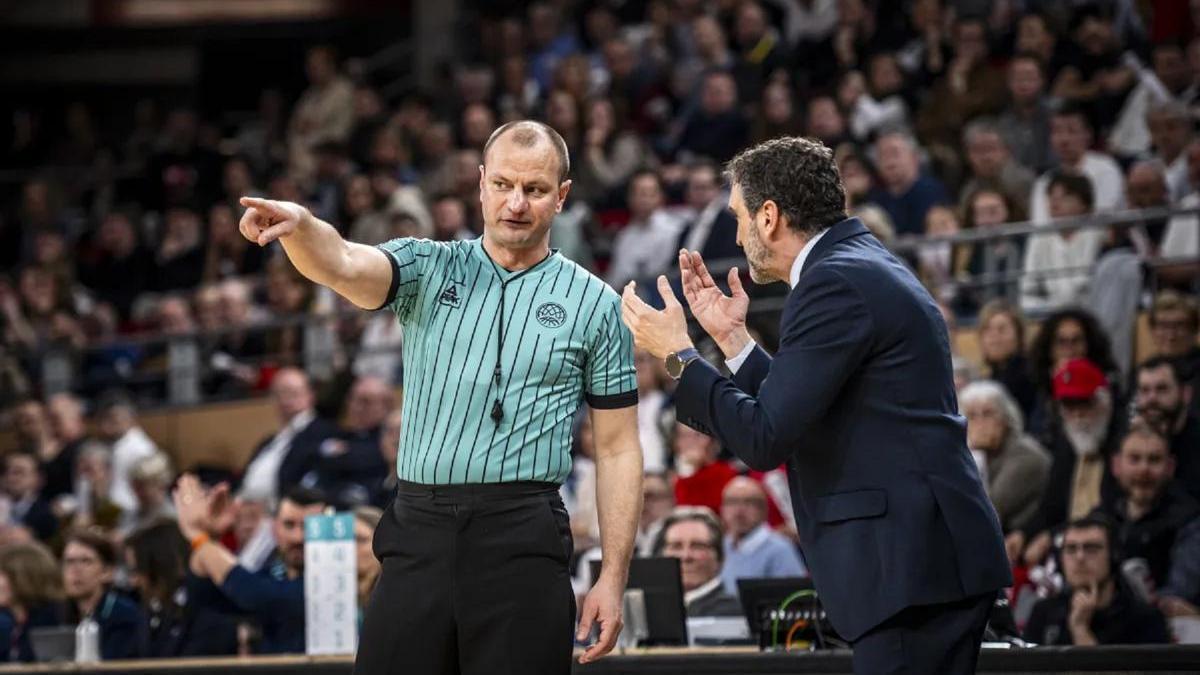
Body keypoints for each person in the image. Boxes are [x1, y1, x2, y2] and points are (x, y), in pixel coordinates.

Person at [237, 119, 642, 674]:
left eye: (535, 189)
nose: (515, 203)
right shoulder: (428, 266)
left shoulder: (598, 304)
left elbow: (619, 449)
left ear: (562, 196)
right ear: (479, 184)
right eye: (502, 185)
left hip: (523, 532)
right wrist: (302, 227)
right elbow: (342, 264)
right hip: (418, 528)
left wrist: (613, 577)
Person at [621, 136, 1010, 674]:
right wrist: (733, 341)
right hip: (919, 562)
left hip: (907, 567)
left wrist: (678, 355)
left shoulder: (834, 282)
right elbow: (801, 409)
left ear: (769, 217)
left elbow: (765, 438)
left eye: (738, 216)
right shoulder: (856, 266)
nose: (735, 233)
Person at [1022, 515, 1171, 645]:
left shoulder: (1145, 620)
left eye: (1091, 548)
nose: (1079, 557)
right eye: (1071, 549)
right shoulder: (1043, 613)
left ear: (1114, 556)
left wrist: (1080, 628)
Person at [719, 476, 806, 594]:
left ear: (764, 509)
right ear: (722, 509)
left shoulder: (780, 549)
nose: (739, 511)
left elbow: (794, 598)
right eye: (732, 502)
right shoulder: (722, 545)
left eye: (748, 502)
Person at [653, 507, 742, 617]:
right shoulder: (647, 612)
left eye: (697, 546)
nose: (686, 556)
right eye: (676, 546)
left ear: (719, 558)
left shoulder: (736, 613)